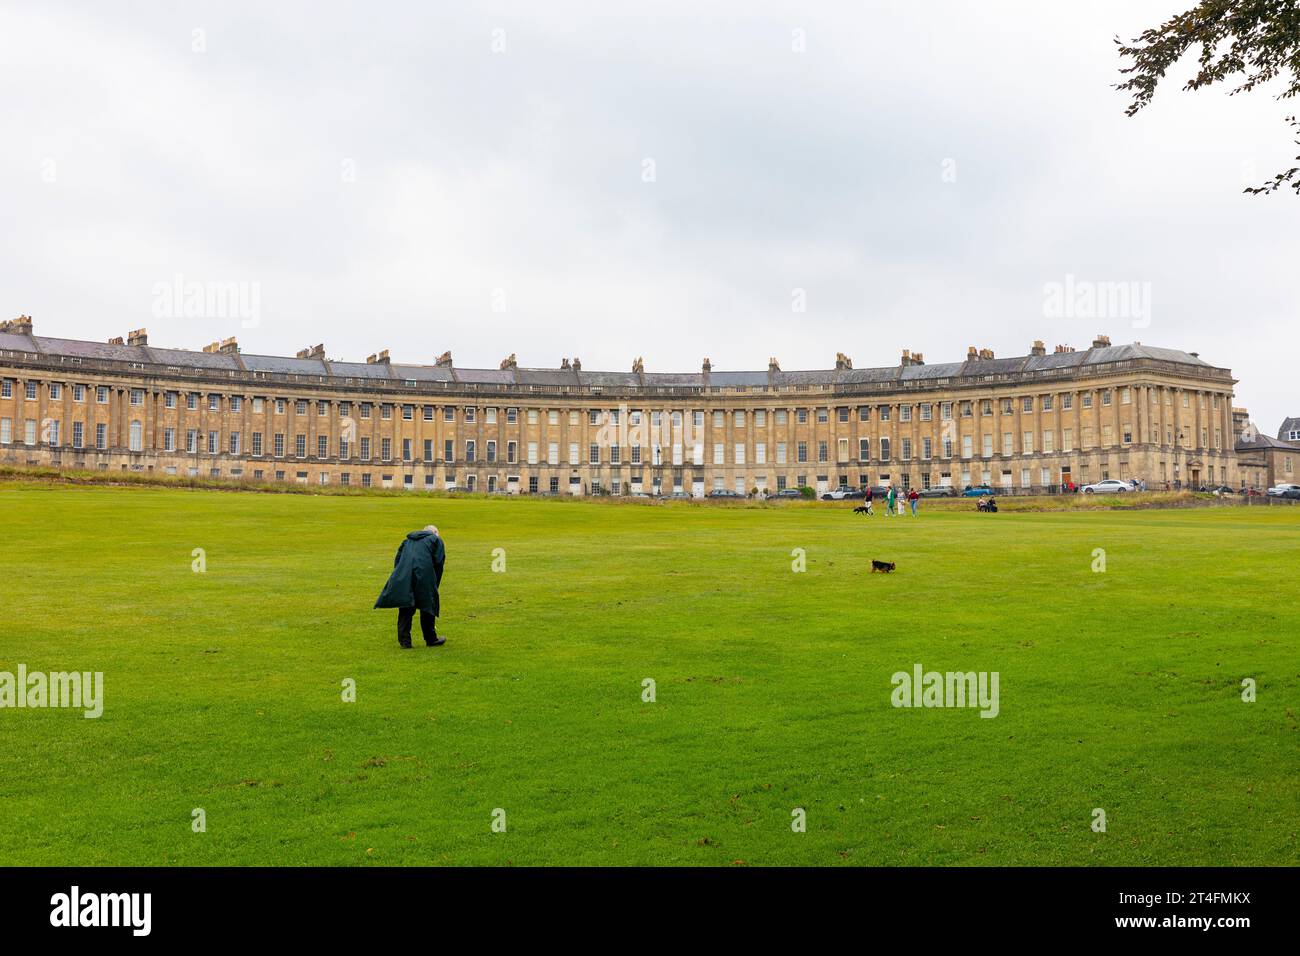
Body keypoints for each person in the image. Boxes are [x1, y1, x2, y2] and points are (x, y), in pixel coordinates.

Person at [374, 525, 446, 649]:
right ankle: (431, 639)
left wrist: (401, 575)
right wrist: (435, 583)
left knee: (406, 605)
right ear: (435, 533)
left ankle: (405, 641)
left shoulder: (407, 541)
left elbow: (398, 559)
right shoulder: (436, 540)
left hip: (404, 573)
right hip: (424, 573)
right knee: (428, 604)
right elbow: (438, 562)